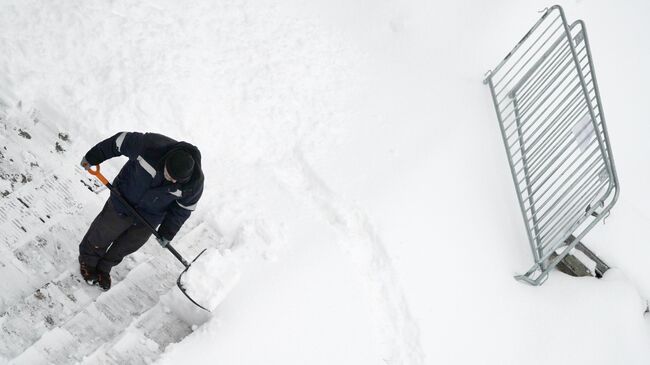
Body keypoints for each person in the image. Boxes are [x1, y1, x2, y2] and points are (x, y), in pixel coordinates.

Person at [78, 132, 204, 290]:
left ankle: (105, 267)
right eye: (169, 175)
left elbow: (182, 210)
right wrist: (92, 157)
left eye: (175, 180)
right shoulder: (151, 146)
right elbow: (118, 142)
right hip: (123, 198)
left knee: (128, 244)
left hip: (151, 217)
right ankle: (88, 261)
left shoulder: (193, 184)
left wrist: (167, 233)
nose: (171, 181)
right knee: (103, 232)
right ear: (166, 162)